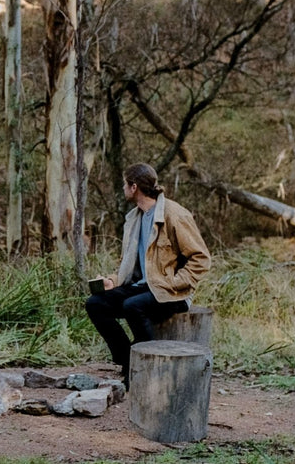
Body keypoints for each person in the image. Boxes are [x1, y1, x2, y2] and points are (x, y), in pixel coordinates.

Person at [86, 163, 211, 387]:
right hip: (144, 286)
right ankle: (129, 362)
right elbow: (131, 264)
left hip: (173, 292)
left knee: (133, 306)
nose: (123, 188)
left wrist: (174, 282)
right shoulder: (133, 218)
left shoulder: (174, 214)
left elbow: (201, 259)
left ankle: (148, 370)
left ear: (134, 187)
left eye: (125, 184)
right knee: (95, 303)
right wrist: (113, 281)